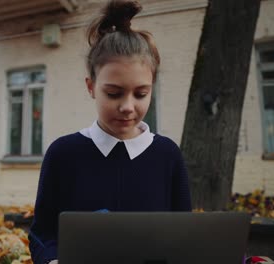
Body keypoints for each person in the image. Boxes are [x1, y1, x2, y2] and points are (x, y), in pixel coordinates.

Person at [28, 1, 191, 263]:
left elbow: (186, 235)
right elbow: (42, 233)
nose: (128, 107)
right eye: (113, 93)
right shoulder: (63, 153)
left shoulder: (167, 154)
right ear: (91, 87)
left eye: (141, 94)